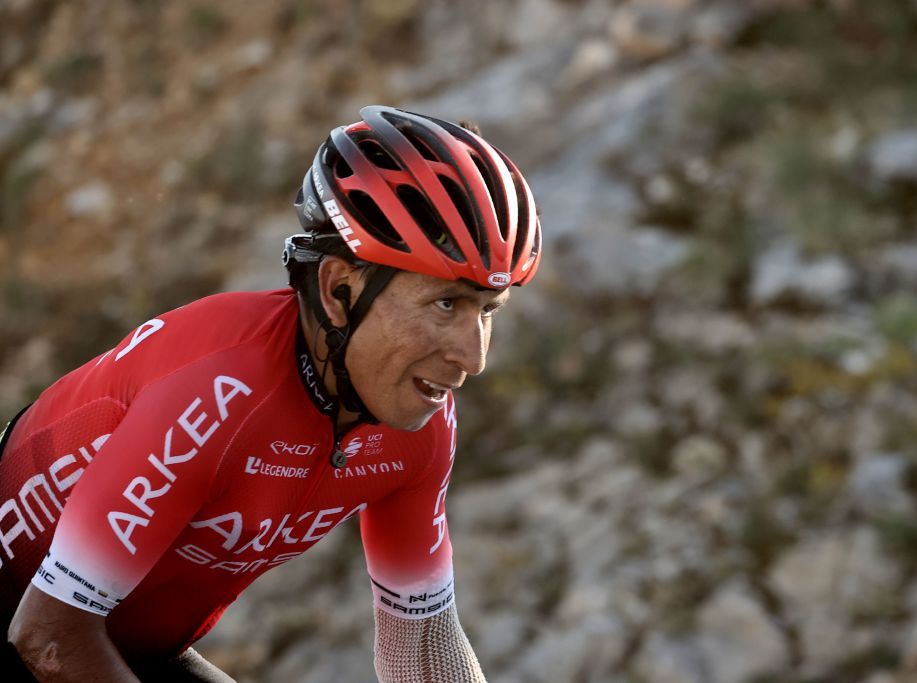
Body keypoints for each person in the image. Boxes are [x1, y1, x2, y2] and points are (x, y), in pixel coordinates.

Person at [0, 105, 542, 682]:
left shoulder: (421, 423)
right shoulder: (217, 388)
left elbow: (424, 650)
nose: (474, 357)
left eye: (487, 311)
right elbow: (47, 636)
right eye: (445, 304)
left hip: (125, 649)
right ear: (339, 290)